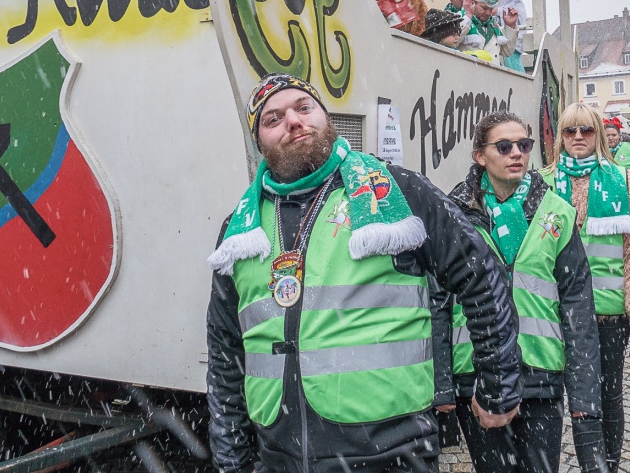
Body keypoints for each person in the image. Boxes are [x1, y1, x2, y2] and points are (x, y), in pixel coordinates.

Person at [206, 73, 523, 473]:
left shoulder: (395, 191)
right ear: (259, 142)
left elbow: (482, 276)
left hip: (392, 453)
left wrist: (498, 384)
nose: (293, 121)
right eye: (273, 119)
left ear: (325, 116)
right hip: (281, 457)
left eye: (304, 108)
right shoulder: (241, 231)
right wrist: (231, 458)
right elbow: (225, 351)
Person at [443, 112, 607, 473]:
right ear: (480, 156)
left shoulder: (557, 214)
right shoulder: (454, 215)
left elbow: (577, 306)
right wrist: (442, 387)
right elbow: (438, 302)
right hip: (477, 375)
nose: (516, 152)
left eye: (524, 145)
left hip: (541, 375)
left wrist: (583, 395)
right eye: (504, 146)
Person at [540, 103, 630, 473]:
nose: (578, 138)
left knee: (607, 399)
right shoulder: (542, 182)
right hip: (552, 313)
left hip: (607, 314)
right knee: (553, 402)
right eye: (570, 131)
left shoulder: (623, 181)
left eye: (586, 131)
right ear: (559, 137)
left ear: (598, 134)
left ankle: (606, 465)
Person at [459, 0, 518, 67]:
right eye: (484, 8)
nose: (488, 13)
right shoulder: (459, 18)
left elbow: (507, 52)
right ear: (473, 2)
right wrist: (468, 17)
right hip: (468, 77)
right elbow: (451, 43)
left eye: (491, 9)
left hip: (492, 78)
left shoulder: (494, 26)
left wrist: (510, 26)